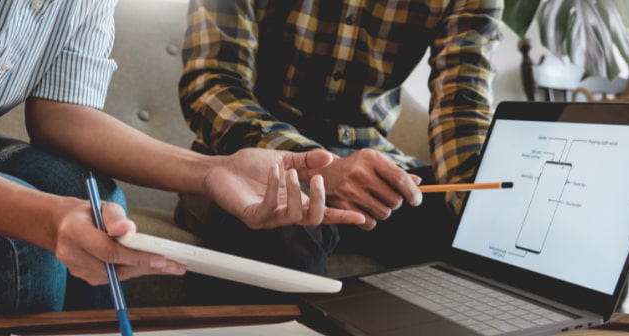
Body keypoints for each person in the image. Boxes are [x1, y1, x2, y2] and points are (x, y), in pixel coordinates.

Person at [0, 0, 363, 321]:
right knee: (18, 242)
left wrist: (211, 171)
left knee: (92, 197)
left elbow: (62, 110)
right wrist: (42, 219)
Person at [176, 0, 503, 275]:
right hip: (252, 162)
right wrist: (312, 166)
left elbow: (462, 106)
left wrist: (483, 211)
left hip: (371, 169)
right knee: (284, 227)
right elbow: (213, 85)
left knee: (472, 236)